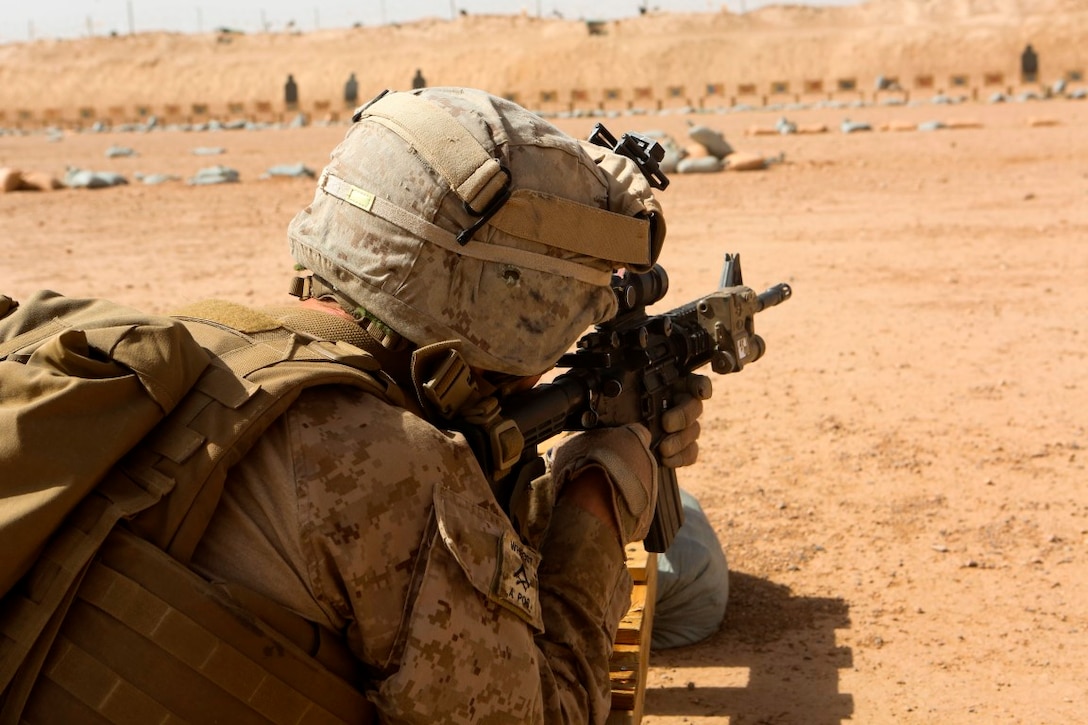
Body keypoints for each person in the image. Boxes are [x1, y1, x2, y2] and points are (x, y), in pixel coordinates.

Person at [9, 87, 710, 724]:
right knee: (698, 571)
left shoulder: (202, 343)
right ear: (506, 305)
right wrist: (600, 488)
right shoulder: (395, 465)